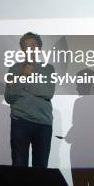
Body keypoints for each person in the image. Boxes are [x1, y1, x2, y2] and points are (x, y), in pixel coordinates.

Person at [4, 32, 55, 167]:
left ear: (39, 48)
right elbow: (9, 97)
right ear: (22, 49)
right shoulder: (14, 68)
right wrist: (22, 75)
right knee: (19, 167)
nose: (30, 48)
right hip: (20, 122)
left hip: (43, 124)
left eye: (33, 45)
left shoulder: (48, 69)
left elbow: (47, 93)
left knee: (41, 168)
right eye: (27, 45)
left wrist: (21, 82)